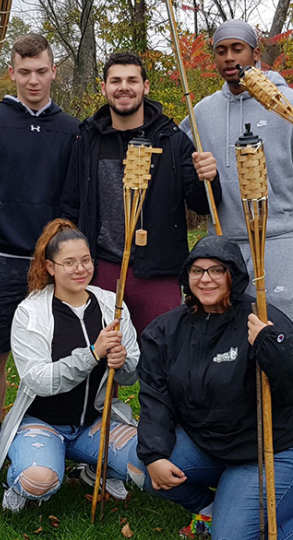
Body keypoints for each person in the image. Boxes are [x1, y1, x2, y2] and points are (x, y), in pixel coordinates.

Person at [136, 236, 293, 540]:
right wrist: (154, 454)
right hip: (212, 445)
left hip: (274, 451)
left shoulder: (261, 318)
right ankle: (213, 510)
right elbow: (155, 396)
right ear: (186, 277)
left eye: (216, 270)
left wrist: (270, 346)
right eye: (197, 270)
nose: (206, 279)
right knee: (138, 465)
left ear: (233, 275)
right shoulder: (167, 330)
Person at [188, 20, 293, 324]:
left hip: (277, 238)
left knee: (275, 330)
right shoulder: (201, 112)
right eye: (221, 51)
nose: (229, 58)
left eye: (237, 49)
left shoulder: (289, 103)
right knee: (227, 334)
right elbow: (179, 166)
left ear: (255, 54)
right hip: (224, 242)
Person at [0, 34, 80, 427]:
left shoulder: (72, 130)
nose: (33, 80)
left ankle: (49, 431)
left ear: (54, 72)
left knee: (57, 353)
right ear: (11, 73)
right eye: (24, 72)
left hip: (51, 262)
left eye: (41, 71)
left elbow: (75, 195)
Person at [0, 219, 144, 512]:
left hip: (93, 423)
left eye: (85, 260)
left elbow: (132, 373)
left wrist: (122, 364)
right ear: (50, 267)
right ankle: (20, 480)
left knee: (150, 463)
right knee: (39, 481)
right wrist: (92, 354)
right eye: (69, 262)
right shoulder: (30, 312)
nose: (80, 269)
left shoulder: (112, 305)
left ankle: (93, 471)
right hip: (43, 421)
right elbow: (39, 381)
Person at [61, 52, 221, 333]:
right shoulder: (86, 138)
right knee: (105, 361)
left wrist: (209, 178)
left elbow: (202, 204)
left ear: (145, 87)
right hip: (101, 269)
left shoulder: (172, 140)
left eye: (132, 80)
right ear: (104, 88)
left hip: (158, 270)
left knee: (161, 359)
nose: (124, 87)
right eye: (116, 80)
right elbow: (70, 204)